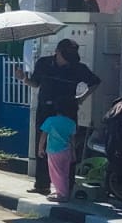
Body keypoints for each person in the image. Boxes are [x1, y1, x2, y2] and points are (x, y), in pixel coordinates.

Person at [19, 38, 102, 195]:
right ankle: (42, 184)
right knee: (42, 146)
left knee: (67, 148)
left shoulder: (78, 67)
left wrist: (82, 98)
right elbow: (35, 83)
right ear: (57, 51)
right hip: (46, 109)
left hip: (67, 111)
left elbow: (95, 82)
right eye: (66, 56)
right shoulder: (43, 63)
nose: (68, 61)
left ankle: (66, 187)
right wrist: (23, 78)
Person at [41, 111, 78, 201]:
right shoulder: (71, 122)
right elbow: (73, 140)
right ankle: (62, 191)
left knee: (56, 174)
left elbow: (43, 136)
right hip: (67, 150)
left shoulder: (50, 120)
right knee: (65, 173)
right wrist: (73, 153)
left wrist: (40, 148)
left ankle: (62, 194)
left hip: (54, 150)